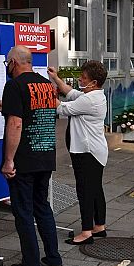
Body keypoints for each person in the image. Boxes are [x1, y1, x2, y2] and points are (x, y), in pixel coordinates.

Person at [0, 45, 63, 266]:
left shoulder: (14, 85)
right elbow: (37, 113)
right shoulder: (46, 84)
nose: (7, 68)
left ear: (13, 62)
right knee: (42, 207)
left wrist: (8, 160)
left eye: (7, 64)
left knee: (23, 211)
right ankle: (54, 258)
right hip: (45, 155)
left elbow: (16, 124)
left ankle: (31, 265)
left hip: (24, 159)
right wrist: (8, 108)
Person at [47, 61, 108, 245]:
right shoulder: (92, 95)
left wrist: (44, 91)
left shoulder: (89, 100)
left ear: (94, 82)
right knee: (95, 189)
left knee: (85, 191)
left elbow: (62, 108)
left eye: (84, 78)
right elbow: (71, 92)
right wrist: (56, 78)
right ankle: (99, 226)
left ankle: (86, 232)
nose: (80, 79)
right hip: (95, 151)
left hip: (87, 153)